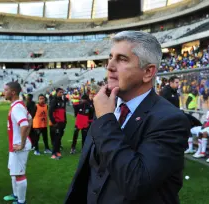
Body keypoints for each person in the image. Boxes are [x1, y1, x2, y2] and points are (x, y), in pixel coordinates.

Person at [65, 31, 190, 204]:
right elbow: (91, 172)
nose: (109, 66)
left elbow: (136, 182)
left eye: (122, 59)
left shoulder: (170, 120)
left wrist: (106, 121)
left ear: (148, 72)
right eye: (110, 57)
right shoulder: (106, 106)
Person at [3, 81, 32, 204]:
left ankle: (21, 201)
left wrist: (22, 143)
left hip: (18, 146)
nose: (3, 92)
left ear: (13, 92)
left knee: (19, 174)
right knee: (13, 172)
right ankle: (15, 195)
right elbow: (30, 119)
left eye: (6, 90)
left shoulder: (17, 107)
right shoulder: (17, 105)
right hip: (15, 145)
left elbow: (25, 124)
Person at [49, 88, 67, 160]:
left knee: (59, 138)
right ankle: (53, 154)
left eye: (62, 92)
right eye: (60, 92)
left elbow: (63, 112)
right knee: (56, 138)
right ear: (56, 92)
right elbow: (50, 112)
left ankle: (58, 151)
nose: (61, 93)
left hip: (62, 122)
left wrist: (65, 121)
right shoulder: (54, 100)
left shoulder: (62, 101)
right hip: (57, 123)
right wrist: (54, 122)